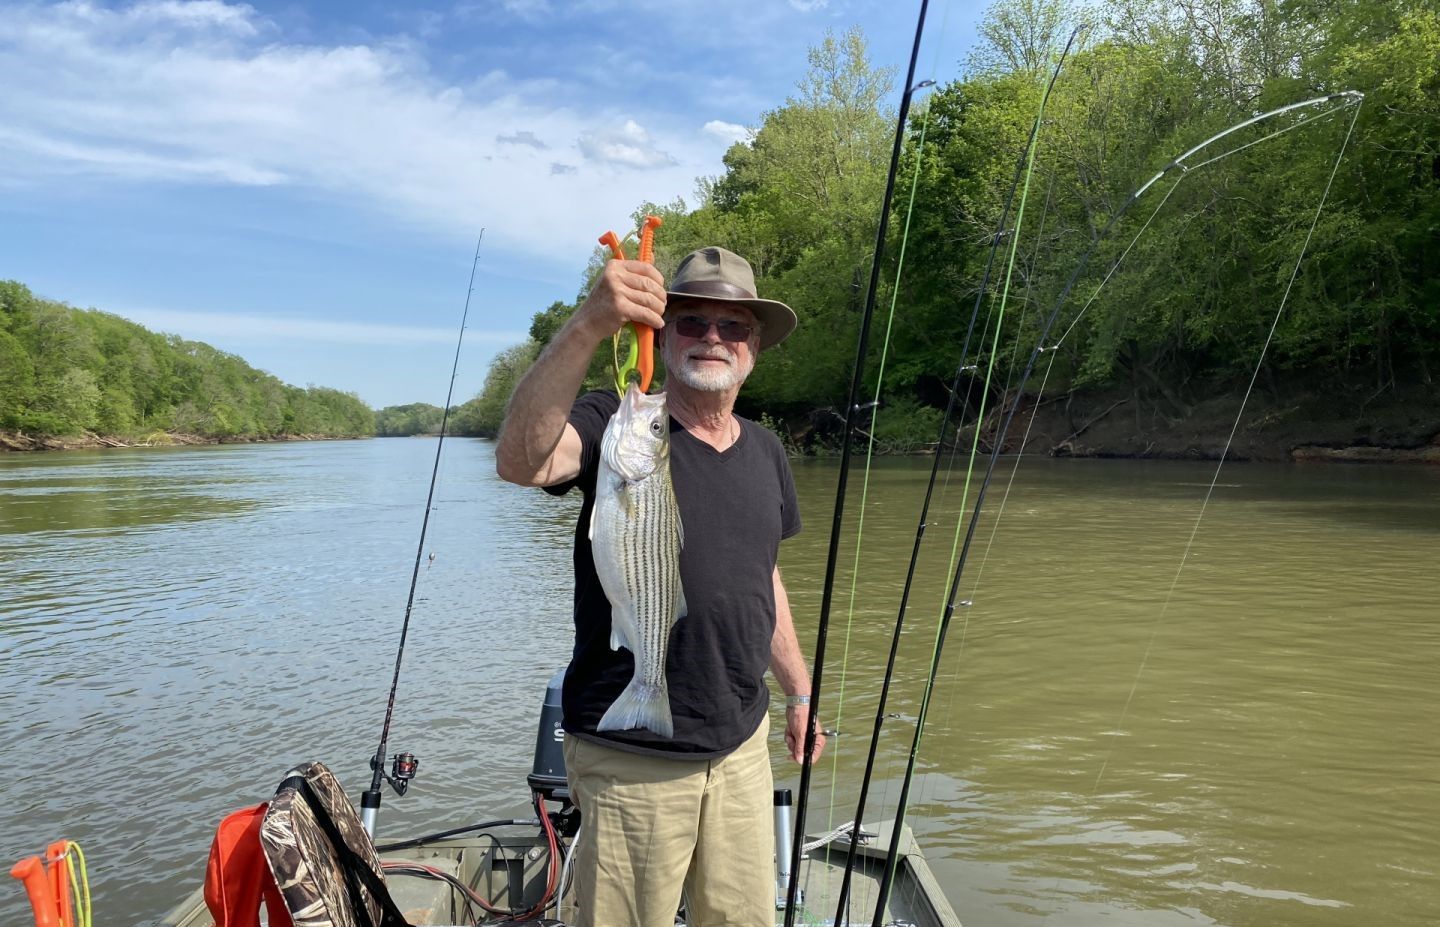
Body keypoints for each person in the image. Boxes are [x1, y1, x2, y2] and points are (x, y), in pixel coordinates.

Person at [495, 245, 825, 926]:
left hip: (741, 747)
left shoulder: (767, 450)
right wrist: (588, 324)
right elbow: (522, 461)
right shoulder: (615, 421)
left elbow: (762, 577)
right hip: (630, 756)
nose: (712, 337)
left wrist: (799, 691)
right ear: (663, 334)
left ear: (754, 348)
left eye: (733, 326)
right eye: (692, 321)